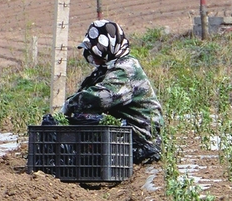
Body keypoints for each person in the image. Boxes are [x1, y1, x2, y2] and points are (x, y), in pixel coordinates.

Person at [62, 20, 163, 162]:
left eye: (96, 53)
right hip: (126, 135)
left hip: (141, 140)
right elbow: (86, 91)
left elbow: (101, 98)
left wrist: (70, 104)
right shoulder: (108, 69)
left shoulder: (126, 69)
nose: (94, 58)